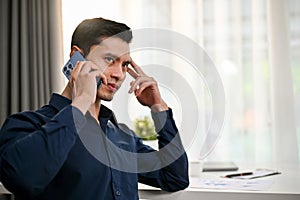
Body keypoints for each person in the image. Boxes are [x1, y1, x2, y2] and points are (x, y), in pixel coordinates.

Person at [0, 17, 189, 200]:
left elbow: (175, 177)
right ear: (77, 57)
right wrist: (82, 100)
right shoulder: (28, 124)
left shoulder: (122, 136)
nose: (118, 74)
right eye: (109, 59)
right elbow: (22, 178)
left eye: (124, 65)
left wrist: (158, 107)